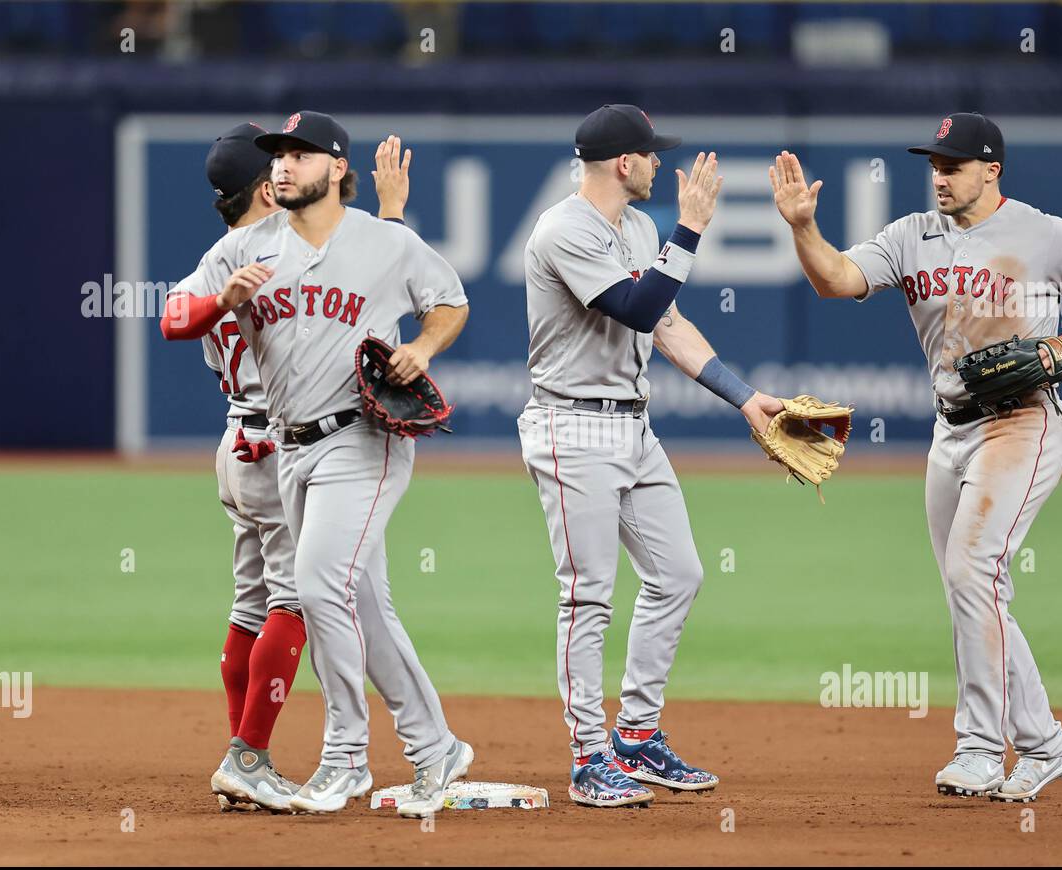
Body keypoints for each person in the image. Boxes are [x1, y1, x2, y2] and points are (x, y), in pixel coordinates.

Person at [769, 112, 1062, 802]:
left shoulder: (1046, 233)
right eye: (934, 165)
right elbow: (838, 280)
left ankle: (977, 749)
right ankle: (1045, 743)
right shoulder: (911, 236)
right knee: (973, 588)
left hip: (1022, 423)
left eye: (954, 166)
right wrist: (800, 227)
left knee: (973, 571)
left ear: (991, 170)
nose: (940, 176)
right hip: (951, 432)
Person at [162, 112, 473, 817]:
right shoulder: (246, 247)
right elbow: (173, 318)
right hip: (290, 449)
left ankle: (345, 758)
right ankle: (435, 747)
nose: (282, 165)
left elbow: (450, 302)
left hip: (362, 440)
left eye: (299, 155)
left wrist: (422, 348)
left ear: (336, 168)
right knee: (365, 605)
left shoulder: (384, 242)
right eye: (276, 155)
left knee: (316, 584)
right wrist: (222, 300)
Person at [518, 104, 785, 808]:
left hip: (632, 427)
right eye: (652, 155)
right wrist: (692, 227)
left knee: (679, 574)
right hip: (569, 426)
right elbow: (635, 307)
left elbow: (666, 323)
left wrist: (744, 398)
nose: (663, 165)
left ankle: (635, 736)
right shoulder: (563, 229)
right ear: (622, 163)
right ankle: (587, 756)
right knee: (588, 594)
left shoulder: (636, 227)